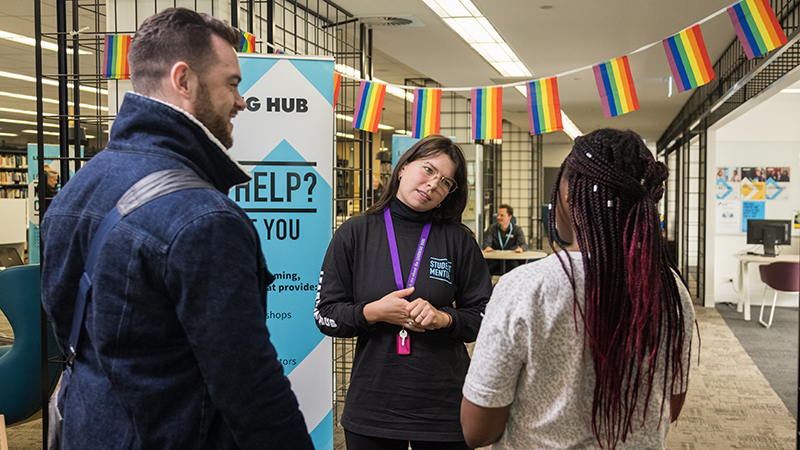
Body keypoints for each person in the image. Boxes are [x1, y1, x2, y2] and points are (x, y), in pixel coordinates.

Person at [40, 8, 313, 449]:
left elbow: (73, 332)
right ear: (183, 80)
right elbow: (249, 385)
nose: (242, 100)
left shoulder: (74, 193)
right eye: (232, 83)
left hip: (89, 427)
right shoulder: (205, 219)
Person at [461, 129, 695, 450]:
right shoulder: (670, 289)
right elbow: (670, 406)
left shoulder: (526, 288)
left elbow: (478, 430)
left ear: (570, 195)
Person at [314, 134, 492, 450]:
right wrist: (373, 312)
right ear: (403, 167)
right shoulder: (355, 233)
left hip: (443, 409)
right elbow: (325, 315)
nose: (433, 184)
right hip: (374, 408)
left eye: (446, 182)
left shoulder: (458, 241)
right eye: (428, 169)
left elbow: (484, 315)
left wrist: (444, 319)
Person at [483, 204, 527, 274]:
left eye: (502, 215)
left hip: (510, 259)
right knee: (486, 267)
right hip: (495, 258)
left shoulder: (516, 229)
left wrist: (521, 249)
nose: (498, 217)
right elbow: (486, 243)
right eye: (498, 215)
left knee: (515, 266)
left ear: (510, 217)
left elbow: (523, 244)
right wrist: (487, 247)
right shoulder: (492, 228)